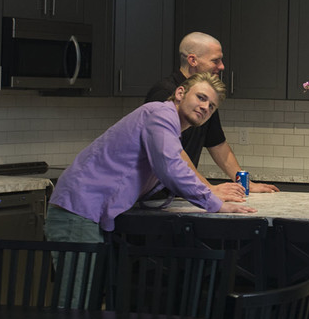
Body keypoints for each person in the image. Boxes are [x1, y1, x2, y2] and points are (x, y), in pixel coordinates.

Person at [47, 73, 256, 246]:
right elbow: (171, 167)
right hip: (78, 210)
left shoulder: (167, 124)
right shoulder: (160, 115)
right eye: (201, 98)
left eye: (211, 106)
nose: (205, 107)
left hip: (83, 210)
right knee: (78, 294)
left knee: (87, 291)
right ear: (180, 93)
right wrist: (215, 204)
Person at [143, 31, 277, 193]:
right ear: (192, 60)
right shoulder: (163, 93)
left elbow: (217, 144)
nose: (222, 66)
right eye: (215, 61)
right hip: (153, 196)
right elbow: (171, 149)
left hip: (182, 194)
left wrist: (245, 183)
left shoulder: (206, 95)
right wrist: (207, 188)